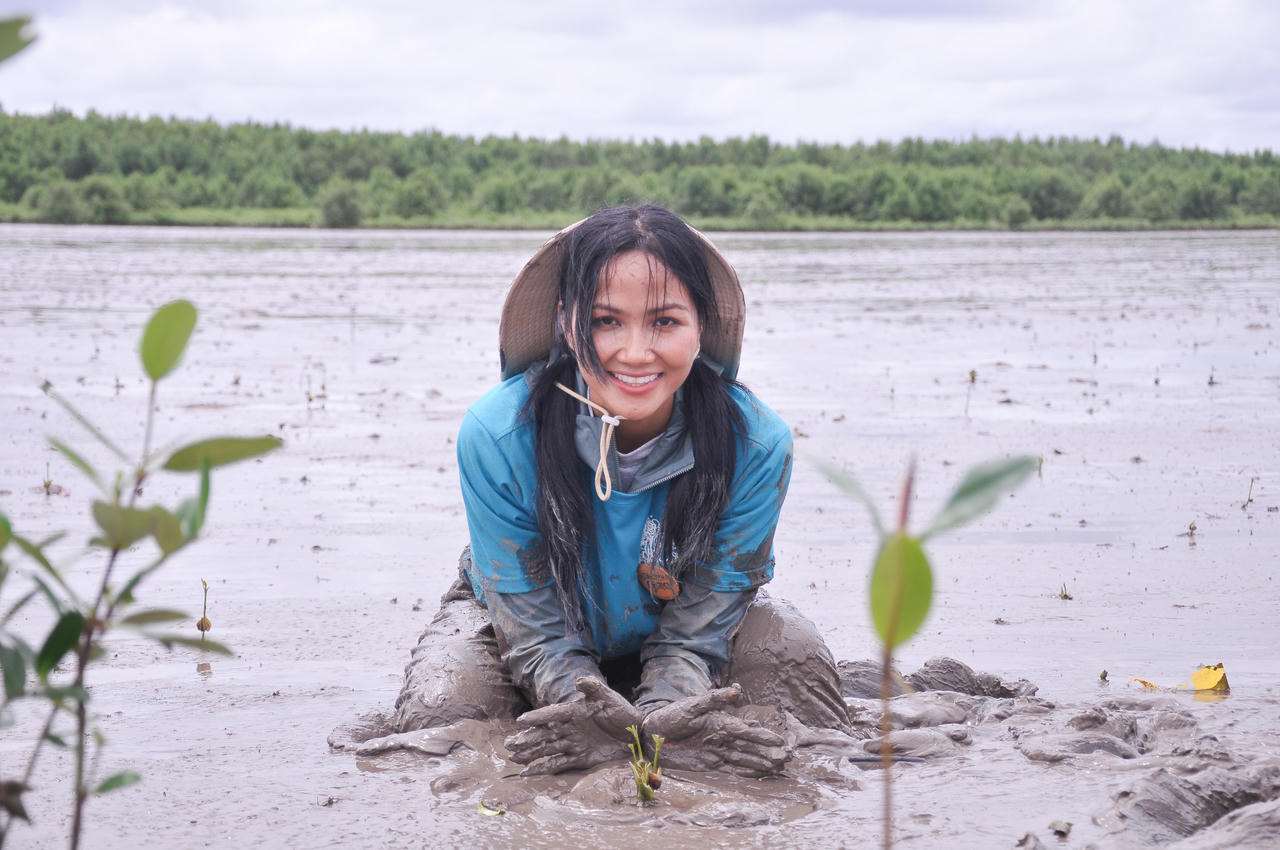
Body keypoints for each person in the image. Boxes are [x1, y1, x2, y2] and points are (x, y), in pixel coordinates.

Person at [392, 204, 848, 777]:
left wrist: (660, 720)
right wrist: (590, 715)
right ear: (566, 322)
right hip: (515, 624)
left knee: (795, 658)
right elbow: (530, 626)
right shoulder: (497, 434)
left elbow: (703, 620)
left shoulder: (756, 444)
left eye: (664, 322)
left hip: (681, 628)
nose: (635, 353)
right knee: (446, 708)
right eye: (606, 321)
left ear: (700, 326)